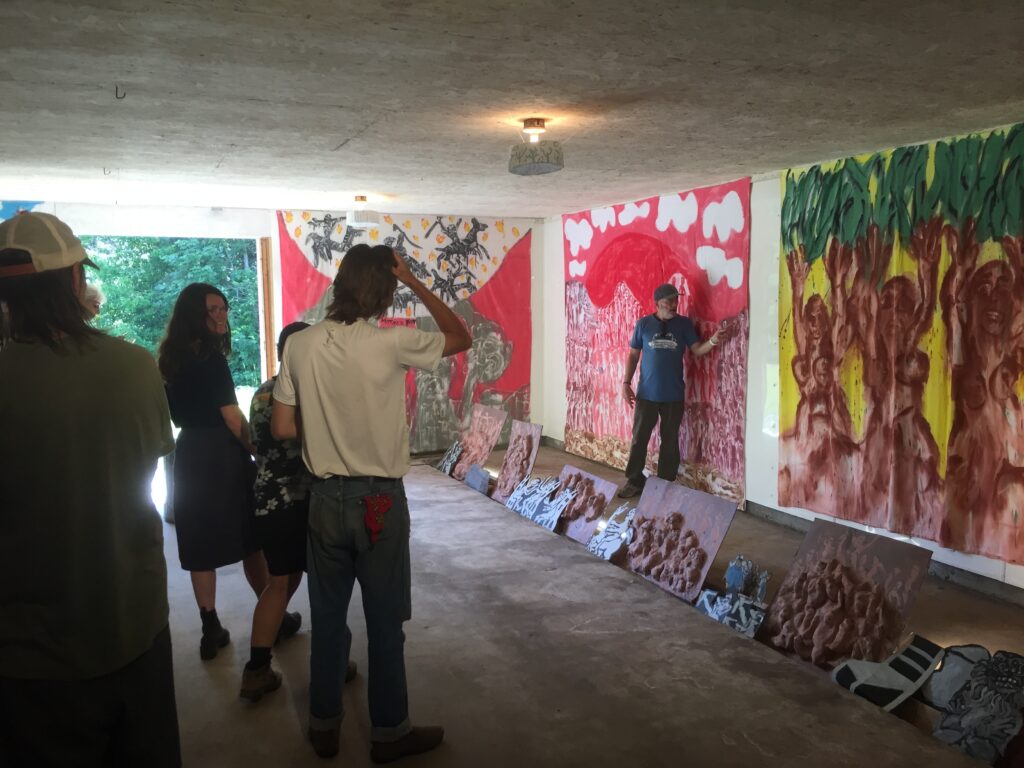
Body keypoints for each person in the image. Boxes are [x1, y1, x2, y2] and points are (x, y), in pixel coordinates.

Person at [272, 244, 471, 761]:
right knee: (384, 623)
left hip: (324, 500)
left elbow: (282, 427)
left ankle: (324, 726)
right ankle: (388, 733)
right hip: (379, 502)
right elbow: (461, 335)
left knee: (327, 618)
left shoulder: (299, 344)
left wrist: (329, 434)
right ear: (385, 291)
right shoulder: (391, 344)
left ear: (340, 285)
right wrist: (417, 280)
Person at [0, 212, 180, 766]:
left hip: (28, 652)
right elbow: (148, 458)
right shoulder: (133, 366)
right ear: (75, 281)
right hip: (132, 624)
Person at [241, 321, 357, 702]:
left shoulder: (261, 393)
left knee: (279, 583)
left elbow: (257, 445)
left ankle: (256, 669)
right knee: (328, 588)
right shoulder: (309, 395)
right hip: (308, 502)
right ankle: (335, 665)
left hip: (267, 501)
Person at [158, 283, 273, 660]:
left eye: (223, 308)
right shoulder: (211, 359)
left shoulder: (170, 359)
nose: (221, 315)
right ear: (195, 313)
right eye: (212, 309)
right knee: (251, 537)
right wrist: (257, 450)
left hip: (188, 451)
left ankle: (210, 628)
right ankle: (274, 614)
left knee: (198, 541)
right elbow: (230, 416)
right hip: (220, 453)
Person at [618, 283, 728, 498]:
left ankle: (664, 482)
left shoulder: (684, 325)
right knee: (639, 438)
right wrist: (625, 383)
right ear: (658, 303)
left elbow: (697, 350)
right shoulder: (643, 325)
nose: (674, 304)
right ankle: (634, 480)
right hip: (646, 393)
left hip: (673, 394)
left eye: (676, 300)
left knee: (669, 440)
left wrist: (714, 340)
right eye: (669, 300)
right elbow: (633, 355)